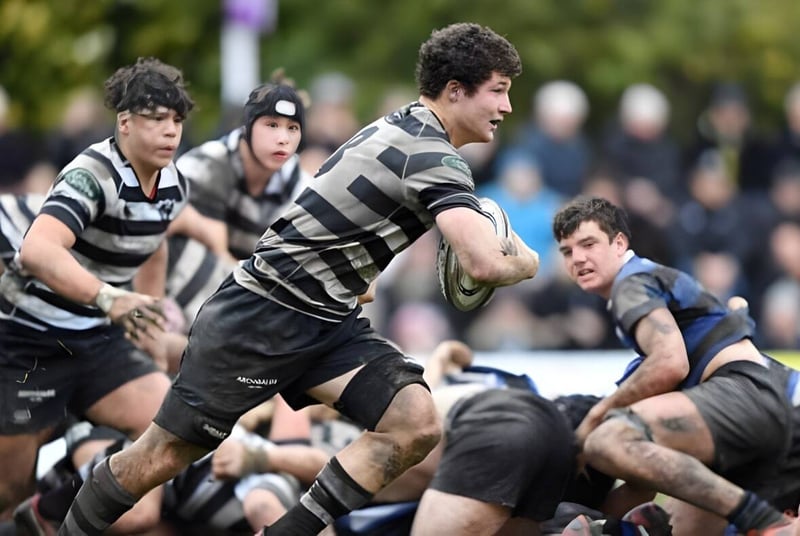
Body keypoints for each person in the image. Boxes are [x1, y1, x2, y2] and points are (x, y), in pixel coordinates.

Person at [59, 22, 539, 536]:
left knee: (414, 421)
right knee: (163, 454)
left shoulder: (399, 128)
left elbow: (337, 229)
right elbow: (484, 264)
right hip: (261, 316)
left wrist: (355, 274)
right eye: (499, 91)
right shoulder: (435, 158)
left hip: (326, 322)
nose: (506, 108)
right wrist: (527, 261)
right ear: (455, 91)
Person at [0, 57, 193, 521]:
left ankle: (47, 513)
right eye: (157, 119)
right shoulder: (93, 176)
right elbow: (38, 251)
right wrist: (111, 298)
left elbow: (155, 247)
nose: (170, 131)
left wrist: (149, 320)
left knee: (173, 432)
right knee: (7, 488)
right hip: (31, 343)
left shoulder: (175, 186)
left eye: (177, 120)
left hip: (96, 340)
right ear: (125, 123)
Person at [551, 196, 798, 535]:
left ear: (620, 243)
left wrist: (596, 417)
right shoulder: (659, 304)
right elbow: (644, 481)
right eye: (567, 251)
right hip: (775, 407)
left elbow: (670, 363)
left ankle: (761, 520)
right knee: (687, 523)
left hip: (756, 395)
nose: (577, 258)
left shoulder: (631, 284)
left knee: (606, 441)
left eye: (588, 244)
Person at [170, 71, 311, 265]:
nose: (283, 139)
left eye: (292, 128)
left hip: (255, 288)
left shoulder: (302, 192)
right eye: (272, 125)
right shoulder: (204, 165)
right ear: (248, 126)